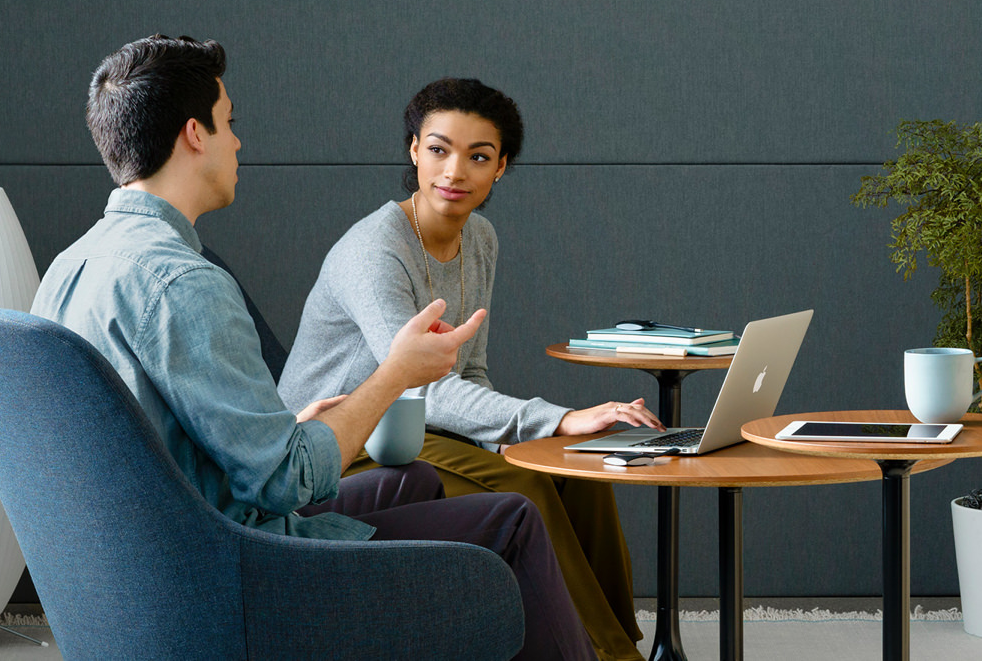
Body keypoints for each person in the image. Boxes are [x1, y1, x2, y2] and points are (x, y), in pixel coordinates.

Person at [32, 36, 594, 661]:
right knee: (511, 519)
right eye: (229, 122)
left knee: (413, 481)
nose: (238, 142)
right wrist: (395, 374)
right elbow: (287, 480)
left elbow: (148, 441)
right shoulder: (184, 283)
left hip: (143, 570)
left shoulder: (71, 265)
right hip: (236, 571)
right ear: (195, 134)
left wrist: (284, 426)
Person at [278, 78, 657, 661]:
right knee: (527, 484)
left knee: (577, 475)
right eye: (438, 149)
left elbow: (468, 372)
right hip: (345, 438)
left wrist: (525, 435)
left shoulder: (479, 238)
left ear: (500, 167)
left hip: (422, 428)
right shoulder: (375, 250)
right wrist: (553, 419)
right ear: (413, 149)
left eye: (478, 156)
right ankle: (603, 656)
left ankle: (617, 639)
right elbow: (417, 381)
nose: (455, 171)